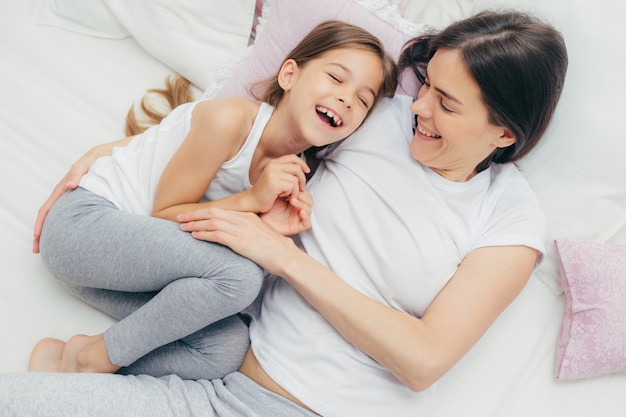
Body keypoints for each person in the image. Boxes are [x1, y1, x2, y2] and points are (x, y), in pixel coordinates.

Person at [1, 10, 568, 417]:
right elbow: (257, 128)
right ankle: (80, 362)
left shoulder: (510, 218)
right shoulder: (379, 118)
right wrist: (104, 157)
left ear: (504, 132)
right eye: (428, 87)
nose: (419, 107)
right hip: (209, 371)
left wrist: (285, 259)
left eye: (446, 104)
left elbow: (422, 360)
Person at [26, 20, 398, 380]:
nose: (346, 99)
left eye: (363, 100)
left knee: (224, 347)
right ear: (289, 76)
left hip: (117, 273)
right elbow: (164, 214)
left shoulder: (295, 178)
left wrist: (266, 229)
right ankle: (94, 359)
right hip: (84, 229)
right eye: (335, 78)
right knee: (239, 277)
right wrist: (251, 200)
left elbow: (207, 264)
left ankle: (69, 358)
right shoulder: (231, 120)